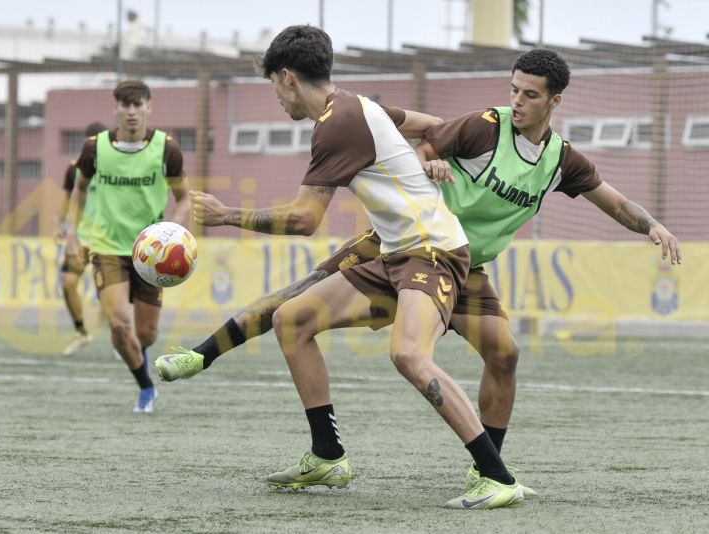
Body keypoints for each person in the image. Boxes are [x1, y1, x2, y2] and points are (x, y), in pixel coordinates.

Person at [156, 48, 682, 496]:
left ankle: (489, 472)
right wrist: (431, 160)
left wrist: (653, 224)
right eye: (514, 90)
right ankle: (211, 361)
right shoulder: (486, 126)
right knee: (298, 304)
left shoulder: (560, 161)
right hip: (406, 246)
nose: (517, 102)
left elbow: (614, 202)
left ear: (555, 101)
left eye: (530, 95)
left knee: (502, 354)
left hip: (449, 258)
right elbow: (429, 138)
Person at [159, 25, 524, 509]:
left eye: (273, 85)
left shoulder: (338, 123)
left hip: (432, 252)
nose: (276, 97)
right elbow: (433, 125)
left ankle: (497, 477)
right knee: (292, 319)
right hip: (395, 251)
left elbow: (304, 219)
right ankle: (327, 455)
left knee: (410, 356)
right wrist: (428, 161)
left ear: (288, 77)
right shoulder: (357, 107)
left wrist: (227, 215)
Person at [67, 80, 189, 413]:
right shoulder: (95, 148)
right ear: (116, 109)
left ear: (149, 107)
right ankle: (146, 387)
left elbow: (183, 198)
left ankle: (139, 352)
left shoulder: (166, 149)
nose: (132, 111)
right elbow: (79, 191)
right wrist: (72, 235)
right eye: (126, 105)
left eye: (138, 105)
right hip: (106, 248)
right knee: (120, 326)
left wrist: (173, 230)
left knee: (146, 334)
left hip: (150, 254)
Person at [58, 121, 107, 357]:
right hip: (81, 238)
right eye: (91, 143)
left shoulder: (116, 169)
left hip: (108, 239)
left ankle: (119, 337)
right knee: (67, 282)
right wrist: (62, 225)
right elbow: (68, 197)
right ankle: (81, 332)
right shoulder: (74, 168)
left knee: (110, 293)